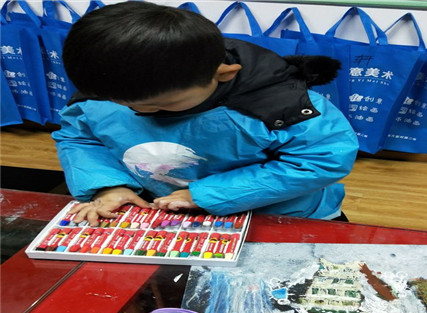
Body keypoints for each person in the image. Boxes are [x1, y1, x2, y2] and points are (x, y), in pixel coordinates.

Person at [53, 2, 359, 226]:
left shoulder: (283, 105)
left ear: (223, 74)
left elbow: (321, 160)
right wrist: (108, 184)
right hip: (168, 215)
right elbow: (80, 138)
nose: (136, 110)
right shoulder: (107, 92)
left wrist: (205, 194)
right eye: (119, 103)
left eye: (160, 106)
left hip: (280, 216)